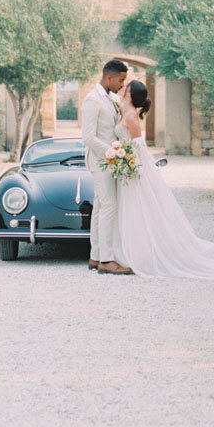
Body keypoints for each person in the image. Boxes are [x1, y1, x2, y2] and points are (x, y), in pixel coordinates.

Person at [115, 79, 214, 279]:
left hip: (134, 168)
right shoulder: (123, 111)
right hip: (126, 166)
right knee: (132, 209)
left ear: (130, 94)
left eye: (126, 87)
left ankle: (141, 254)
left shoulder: (131, 116)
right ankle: (130, 250)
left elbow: (139, 146)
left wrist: (132, 164)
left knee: (140, 208)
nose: (122, 87)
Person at [80, 59, 132, 275]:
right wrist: (112, 154)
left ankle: (96, 256)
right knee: (109, 206)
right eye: (121, 80)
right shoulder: (92, 100)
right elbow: (89, 137)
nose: (122, 85)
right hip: (101, 162)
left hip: (107, 161)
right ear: (109, 77)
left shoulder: (109, 98)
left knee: (101, 207)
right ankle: (107, 260)